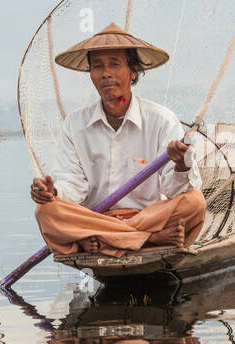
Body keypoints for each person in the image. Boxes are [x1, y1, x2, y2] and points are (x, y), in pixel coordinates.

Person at [31, 23, 205, 256]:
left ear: (133, 71)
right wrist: (54, 193)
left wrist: (181, 163)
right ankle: (149, 240)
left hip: (145, 217)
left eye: (115, 64)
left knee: (194, 202)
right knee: (45, 212)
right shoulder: (75, 124)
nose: (106, 74)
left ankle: (105, 241)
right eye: (97, 67)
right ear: (91, 75)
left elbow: (175, 190)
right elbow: (72, 183)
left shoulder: (161, 120)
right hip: (94, 218)